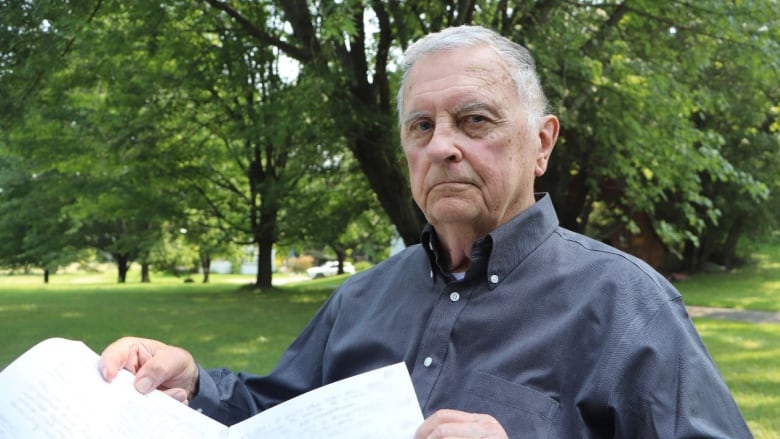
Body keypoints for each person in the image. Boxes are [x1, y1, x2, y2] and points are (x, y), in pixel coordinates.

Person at [99, 25, 751, 438]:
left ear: (542, 143)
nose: (443, 146)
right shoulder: (358, 301)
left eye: (474, 121)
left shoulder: (626, 305)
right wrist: (190, 385)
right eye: (421, 126)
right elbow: (272, 413)